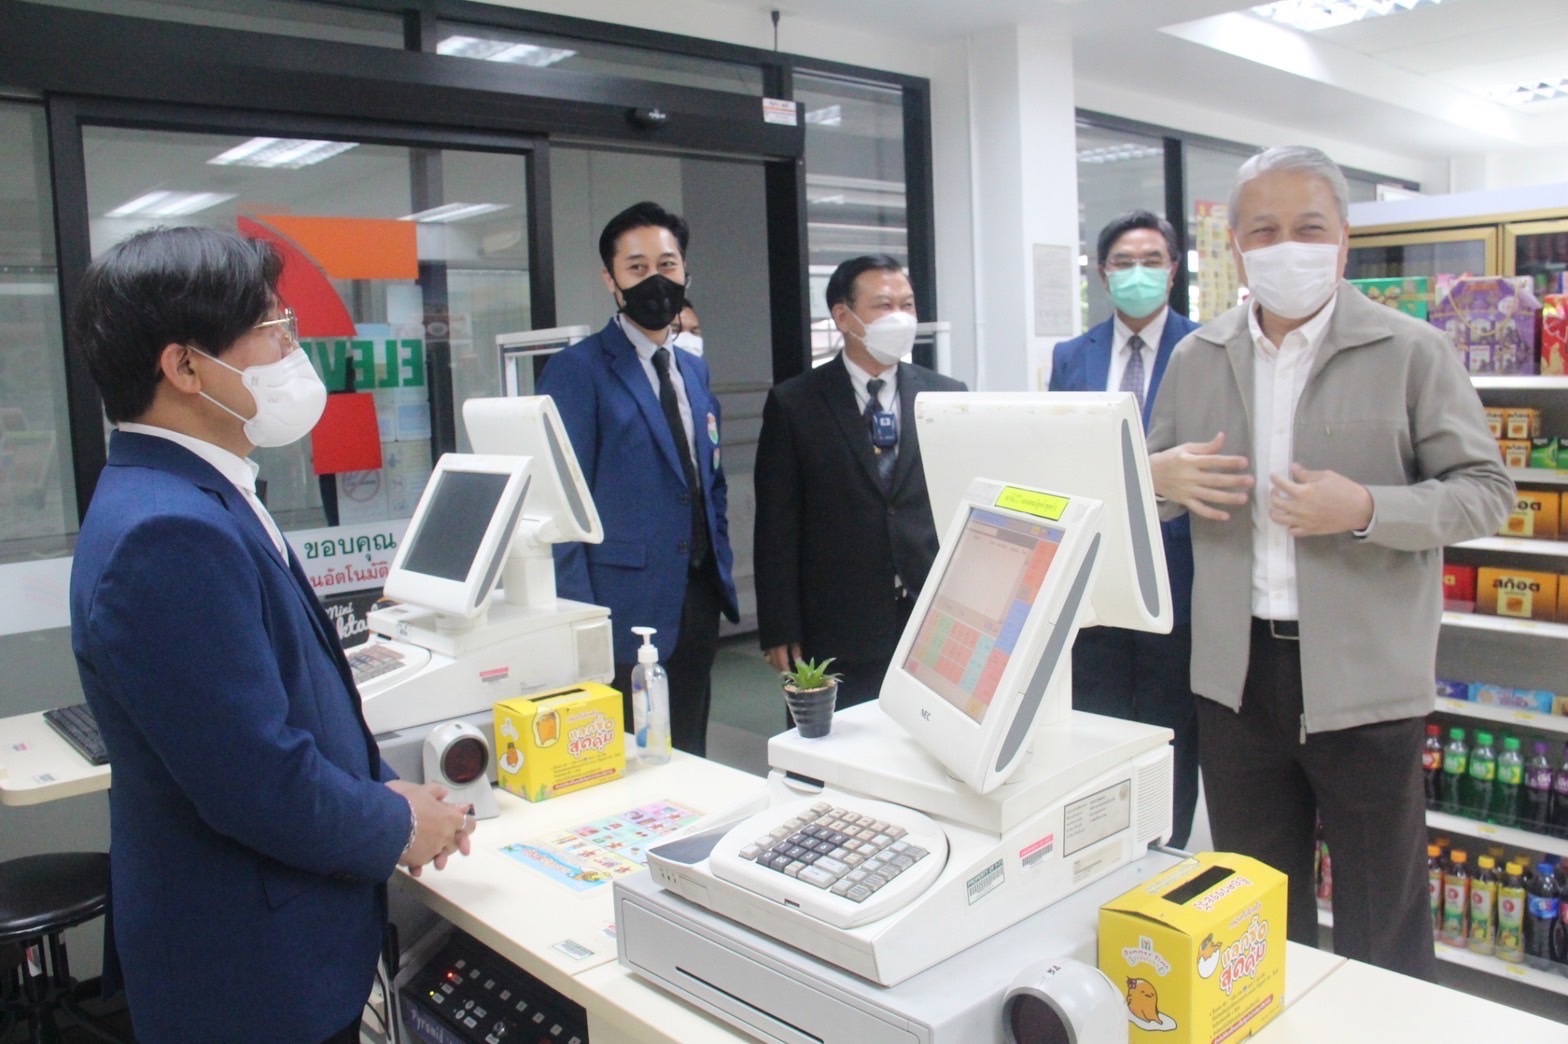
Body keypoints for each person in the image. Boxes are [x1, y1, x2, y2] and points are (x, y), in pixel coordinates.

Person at [68, 226, 473, 1044]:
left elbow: (279, 718)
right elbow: (258, 781)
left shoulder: (195, 491)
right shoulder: (167, 534)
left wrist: (383, 794)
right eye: (272, 327)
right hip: (249, 974)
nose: (294, 347)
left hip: (269, 937)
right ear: (185, 368)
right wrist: (398, 826)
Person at [1145, 146, 1512, 979]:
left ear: (1344, 238)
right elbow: (1149, 490)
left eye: (1308, 228)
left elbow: (1487, 492)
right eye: (1264, 230)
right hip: (1235, 679)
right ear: (1234, 245)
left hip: (1366, 682)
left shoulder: (1411, 350)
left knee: (1383, 921)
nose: (1287, 247)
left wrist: (1369, 509)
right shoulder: (1197, 357)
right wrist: (1155, 477)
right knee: (1254, 915)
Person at [538, 201, 738, 756]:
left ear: (685, 270)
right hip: (619, 607)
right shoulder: (577, 370)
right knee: (627, 763)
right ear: (611, 279)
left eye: (667, 265)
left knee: (690, 749)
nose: (656, 280)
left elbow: (708, 479)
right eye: (637, 267)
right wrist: (578, 620)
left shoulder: (692, 367)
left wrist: (717, 558)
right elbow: (560, 504)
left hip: (696, 595)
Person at [1050, 210, 1202, 848]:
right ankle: (1099, 853)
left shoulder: (1207, 349)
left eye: (1151, 261)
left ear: (1173, 270)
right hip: (1095, 578)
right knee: (1096, 722)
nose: (1137, 273)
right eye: (1123, 262)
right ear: (1102, 273)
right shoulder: (1071, 357)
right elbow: (1059, 455)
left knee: (1172, 729)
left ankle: (1166, 849)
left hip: (1180, 574)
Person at [754, 254, 966, 711]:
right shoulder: (796, 403)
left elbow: (963, 505)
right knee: (837, 741)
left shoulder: (947, 396)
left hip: (928, 616)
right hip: (836, 622)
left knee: (929, 736)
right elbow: (776, 526)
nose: (900, 317)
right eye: (884, 305)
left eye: (907, 305)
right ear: (843, 317)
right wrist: (779, 625)